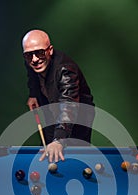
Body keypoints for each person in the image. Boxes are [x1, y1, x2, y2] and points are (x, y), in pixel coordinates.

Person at [22, 29, 94, 162]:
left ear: (50, 50)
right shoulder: (31, 60)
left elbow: (69, 105)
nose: (34, 59)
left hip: (79, 113)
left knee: (74, 154)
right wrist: (33, 94)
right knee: (49, 145)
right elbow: (32, 75)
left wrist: (59, 139)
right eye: (28, 55)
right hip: (51, 104)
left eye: (39, 53)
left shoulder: (65, 69)